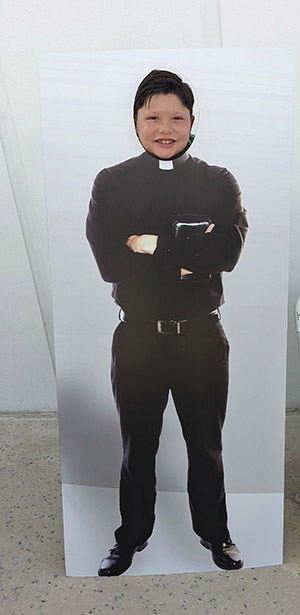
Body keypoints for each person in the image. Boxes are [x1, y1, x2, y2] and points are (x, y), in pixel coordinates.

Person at [86, 69, 248, 576]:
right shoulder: (111, 182)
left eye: (176, 116)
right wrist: (188, 255)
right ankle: (130, 538)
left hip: (202, 336)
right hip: (137, 338)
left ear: (192, 121)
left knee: (206, 446)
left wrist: (149, 244)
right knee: (138, 448)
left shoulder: (219, 181)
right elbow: (111, 263)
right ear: (135, 122)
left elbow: (228, 252)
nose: (165, 127)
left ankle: (216, 536)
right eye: (152, 116)